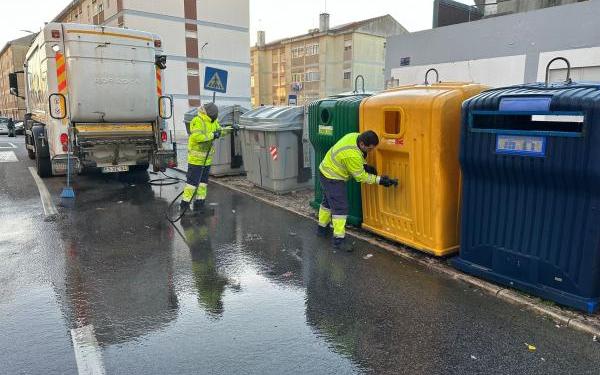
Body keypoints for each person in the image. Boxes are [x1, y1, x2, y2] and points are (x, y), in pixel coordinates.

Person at [317, 130, 397, 250]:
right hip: (332, 177)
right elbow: (360, 176)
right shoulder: (352, 155)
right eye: (369, 149)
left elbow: (356, 158)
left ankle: (322, 229)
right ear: (362, 144)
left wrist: (364, 166)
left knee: (328, 202)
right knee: (340, 207)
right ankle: (339, 240)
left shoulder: (353, 136)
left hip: (325, 170)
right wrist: (380, 180)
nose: (371, 151)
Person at [180, 103, 230, 213]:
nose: (215, 117)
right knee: (192, 184)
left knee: (203, 183)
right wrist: (213, 135)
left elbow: (220, 131)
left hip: (206, 160)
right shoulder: (198, 121)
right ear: (209, 114)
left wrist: (231, 129)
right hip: (196, 160)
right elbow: (197, 137)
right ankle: (184, 205)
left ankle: (200, 204)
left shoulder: (213, 122)